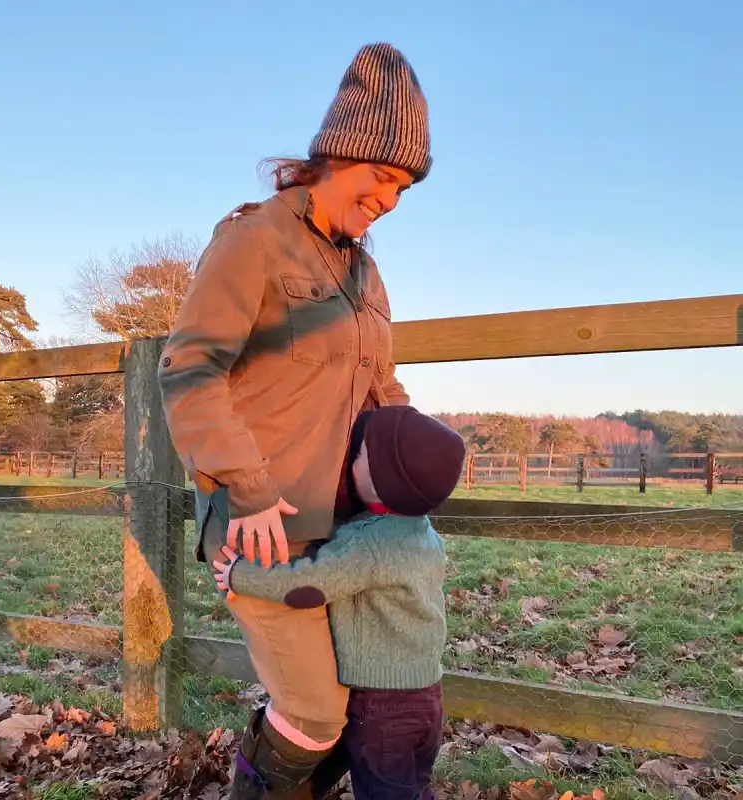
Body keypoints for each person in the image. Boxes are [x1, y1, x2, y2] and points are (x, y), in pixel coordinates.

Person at [158, 42, 432, 798]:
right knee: (315, 712)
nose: (390, 201)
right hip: (265, 528)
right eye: (382, 177)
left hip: (349, 536)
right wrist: (244, 486)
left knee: (354, 709)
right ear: (336, 155)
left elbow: (382, 387)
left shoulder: (364, 273)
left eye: (405, 188)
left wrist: (424, 457)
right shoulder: (253, 242)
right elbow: (190, 367)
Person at [214, 405, 466, 800]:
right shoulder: (424, 534)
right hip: (426, 699)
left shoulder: (368, 545)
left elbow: (308, 585)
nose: (351, 461)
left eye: (360, 455)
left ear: (385, 480)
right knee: (412, 787)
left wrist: (240, 575)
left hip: (379, 706)